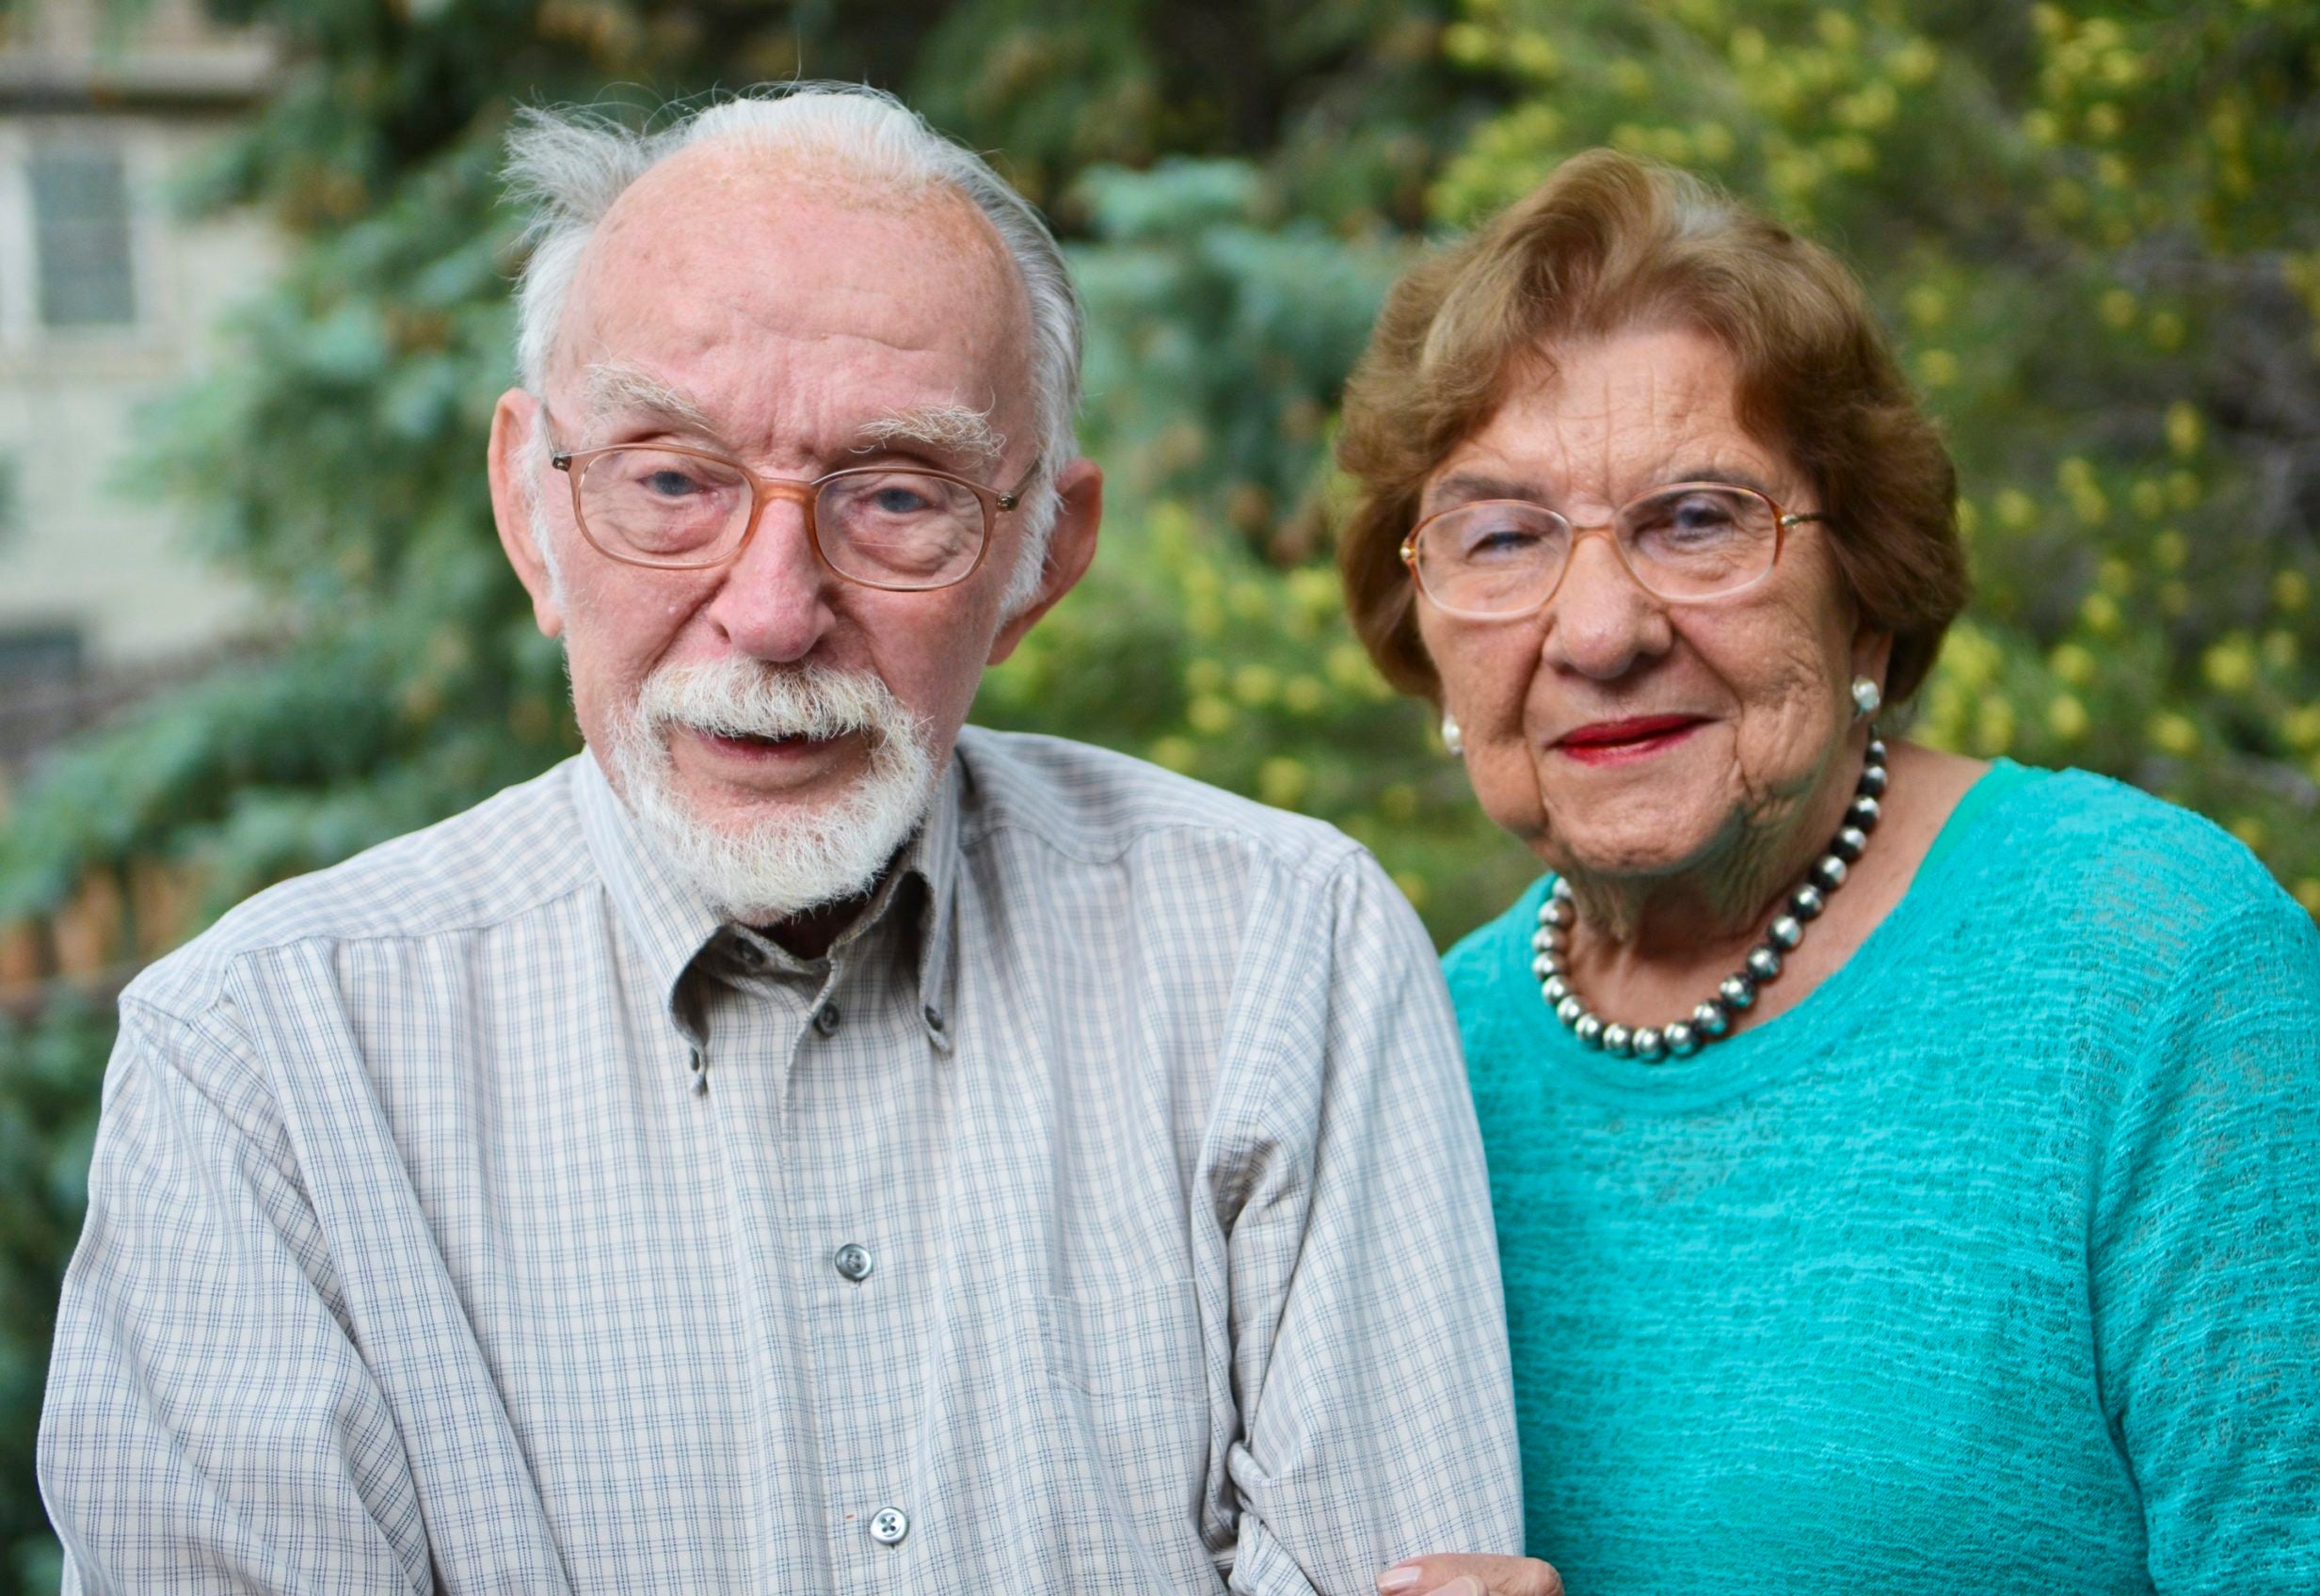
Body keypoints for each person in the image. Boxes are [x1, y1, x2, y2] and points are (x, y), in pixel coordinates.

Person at [38, 84, 1523, 1593]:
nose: (771, 609)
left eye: (893, 496)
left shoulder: (1285, 950)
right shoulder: (263, 1066)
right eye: (673, 480)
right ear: (528, 510)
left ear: (1037, 561)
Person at [1339, 151, 2320, 1596]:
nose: (1598, 631)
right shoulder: (1411, 1057)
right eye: (1504, 536)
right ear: (1426, 633)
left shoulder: (2154, 966)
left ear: (1868, 599)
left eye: (1698, 518)